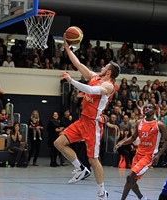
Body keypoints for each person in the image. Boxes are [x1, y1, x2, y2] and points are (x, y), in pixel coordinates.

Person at [54, 35, 120, 200]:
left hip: (93, 124)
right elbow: (78, 64)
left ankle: (101, 192)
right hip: (82, 120)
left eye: (106, 66)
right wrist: (68, 48)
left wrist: (71, 81)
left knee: (93, 159)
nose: (102, 66)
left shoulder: (109, 86)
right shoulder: (94, 77)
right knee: (59, 143)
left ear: (109, 72)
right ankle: (80, 169)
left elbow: (91, 91)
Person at [113, 103, 167, 200]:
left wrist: (159, 155)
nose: (147, 108)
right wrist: (121, 143)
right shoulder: (139, 122)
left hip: (149, 156)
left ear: (154, 111)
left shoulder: (159, 124)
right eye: (145, 107)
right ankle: (142, 198)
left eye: (149, 107)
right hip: (138, 154)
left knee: (129, 177)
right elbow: (133, 137)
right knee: (132, 181)